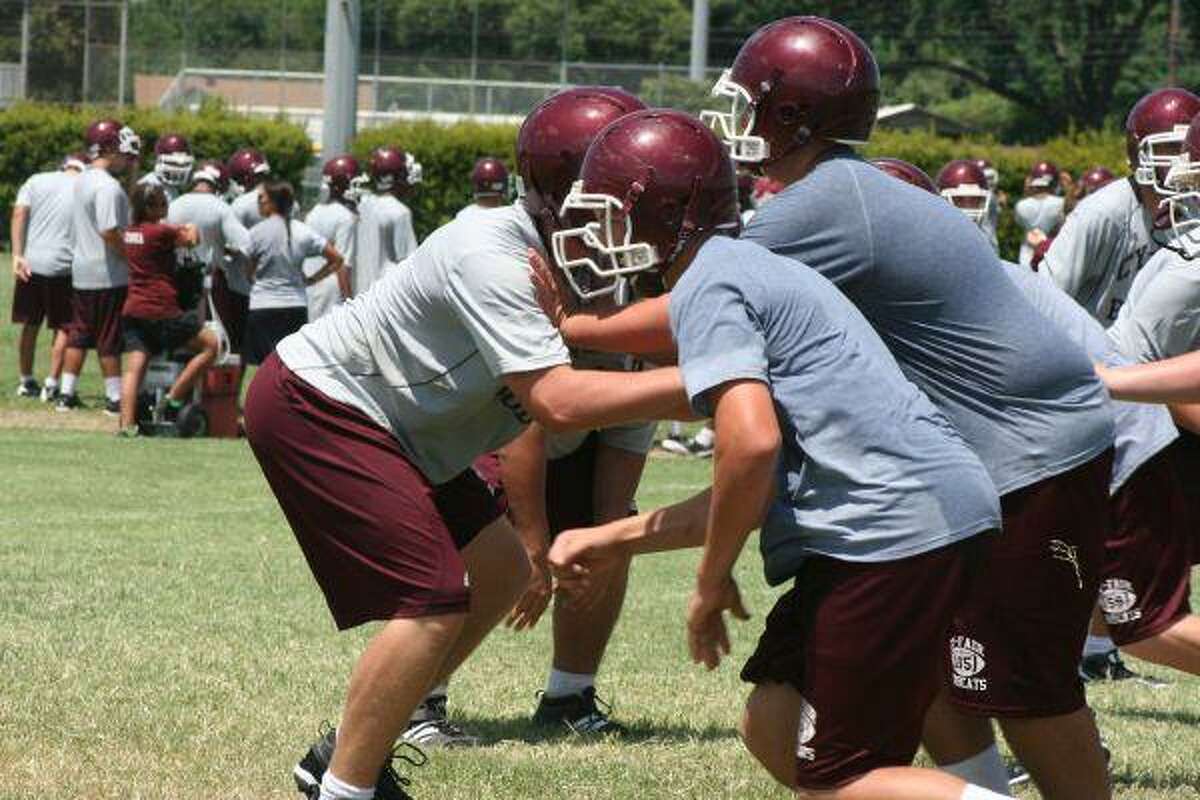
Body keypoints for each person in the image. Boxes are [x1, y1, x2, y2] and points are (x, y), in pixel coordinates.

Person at [698, 17, 1114, 798]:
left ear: (793, 115)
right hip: (969, 465)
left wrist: (571, 332)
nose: (736, 122)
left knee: (1025, 685)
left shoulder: (819, 204)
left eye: (750, 103)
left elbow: (703, 314)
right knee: (938, 666)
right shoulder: (846, 190)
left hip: (1028, 454)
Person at [544, 107, 1006, 800]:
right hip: (907, 518)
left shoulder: (710, 281)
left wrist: (711, 580)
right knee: (774, 720)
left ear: (662, 213)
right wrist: (610, 539)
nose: (597, 238)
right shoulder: (739, 267)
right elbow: (751, 485)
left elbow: (751, 444)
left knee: (840, 775)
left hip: (890, 530)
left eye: (610, 217)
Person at [243, 86, 690, 800]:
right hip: (326, 401)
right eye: (619, 201)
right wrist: (707, 388)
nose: (634, 224)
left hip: (406, 424)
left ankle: (349, 746)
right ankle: (346, 789)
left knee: (503, 570)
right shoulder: (493, 251)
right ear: (566, 195)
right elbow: (557, 403)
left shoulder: (569, 262)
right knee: (431, 598)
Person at [399, 86, 654, 748]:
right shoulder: (510, 258)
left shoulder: (646, 277)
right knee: (494, 554)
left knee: (611, 533)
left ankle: (570, 694)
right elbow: (526, 417)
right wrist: (536, 547)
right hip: (489, 430)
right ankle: (419, 700)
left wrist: (603, 534)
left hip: (577, 433)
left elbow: (633, 416)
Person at [1042, 88, 1200, 325]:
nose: (1183, 159)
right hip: (1096, 345)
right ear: (1138, 153)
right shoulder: (1102, 213)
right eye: (1171, 147)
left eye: (1189, 149)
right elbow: (1045, 299)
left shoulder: (1193, 209)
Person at [116, 183, 215, 436]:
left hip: (133, 309)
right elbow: (192, 240)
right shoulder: (160, 231)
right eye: (161, 203)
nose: (165, 206)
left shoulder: (129, 232)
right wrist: (192, 226)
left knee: (134, 369)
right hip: (161, 309)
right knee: (212, 346)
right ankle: (174, 399)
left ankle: (126, 426)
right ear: (148, 207)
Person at [59, 119, 141, 414]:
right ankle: (114, 397)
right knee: (109, 336)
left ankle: (66, 393)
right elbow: (109, 231)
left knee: (79, 333)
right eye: (122, 151)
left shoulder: (82, 179)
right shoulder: (107, 186)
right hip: (106, 272)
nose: (126, 158)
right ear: (108, 148)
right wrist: (130, 257)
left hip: (82, 269)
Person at [243, 180, 344, 366]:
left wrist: (254, 278)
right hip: (295, 305)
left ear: (273, 202)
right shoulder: (303, 231)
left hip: (262, 304)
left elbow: (248, 271)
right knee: (291, 365)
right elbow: (337, 259)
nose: (259, 203)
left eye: (262, 199)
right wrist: (312, 279)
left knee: (262, 366)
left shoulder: (256, 232)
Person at [10, 153, 85, 401]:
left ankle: (25, 381)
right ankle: (51, 384)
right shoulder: (86, 185)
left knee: (30, 324)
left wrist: (17, 254)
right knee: (64, 327)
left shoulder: (35, 180)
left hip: (31, 263)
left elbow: (19, 213)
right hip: (65, 266)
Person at [167, 160, 251, 357]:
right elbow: (246, 244)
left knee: (180, 336)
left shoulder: (174, 204)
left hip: (176, 278)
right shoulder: (220, 207)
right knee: (213, 339)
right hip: (209, 282)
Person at [354, 146, 420, 295]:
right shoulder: (400, 212)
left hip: (360, 294)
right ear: (394, 177)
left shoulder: (362, 205)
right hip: (386, 295)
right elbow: (408, 264)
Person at [304, 155, 361, 320]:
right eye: (353, 184)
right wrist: (350, 303)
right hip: (332, 291)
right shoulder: (345, 217)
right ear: (340, 185)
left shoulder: (313, 212)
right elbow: (342, 265)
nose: (357, 189)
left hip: (309, 286)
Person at [936, 159, 998, 250]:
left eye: (974, 200)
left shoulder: (985, 241)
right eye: (960, 200)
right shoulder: (931, 240)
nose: (968, 208)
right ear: (942, 200)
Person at [1013, 161, 1066, 266]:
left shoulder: (1021, 205)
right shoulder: (1061, 203)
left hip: (1027, 254)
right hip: (1052, 251)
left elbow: (1019, 222)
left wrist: (1027, 189)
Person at [137, 133, 194, 204]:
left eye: (183, 165)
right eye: (173, 163)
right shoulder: (148, 185)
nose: (178, 169)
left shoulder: (171, 188)